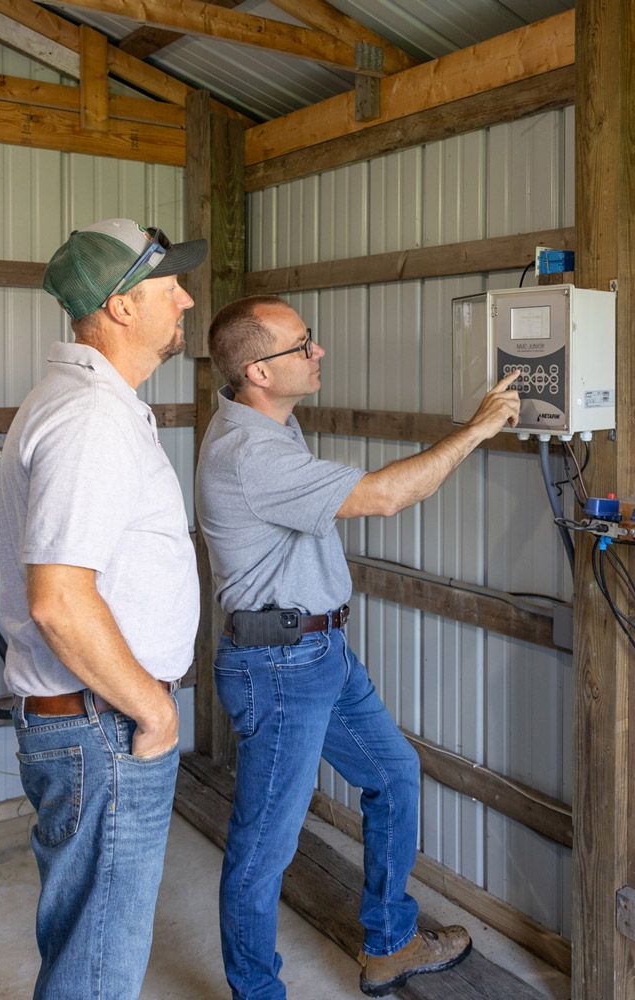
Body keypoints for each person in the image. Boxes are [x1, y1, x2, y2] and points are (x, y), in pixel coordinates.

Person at [197, 295, 521, 999]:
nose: (317, 354)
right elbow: (383, 497)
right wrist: (476, 431)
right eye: (301, 346)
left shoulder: (271, 422)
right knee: (264, 845)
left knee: (393, 774)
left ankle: (389, 944)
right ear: (257, 370)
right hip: (278, 666)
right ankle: (256, 992)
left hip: (317, 654)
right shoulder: (249, 452)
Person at [0, 218, 206, 999]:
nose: (185, 299)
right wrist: (150, 710)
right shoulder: (90, 419)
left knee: (89, 940)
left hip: (95, 719)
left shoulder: (97, 404)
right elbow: (59, 600)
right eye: (168, 285)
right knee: (99, 962)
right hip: (104, 725)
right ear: (120, 306)